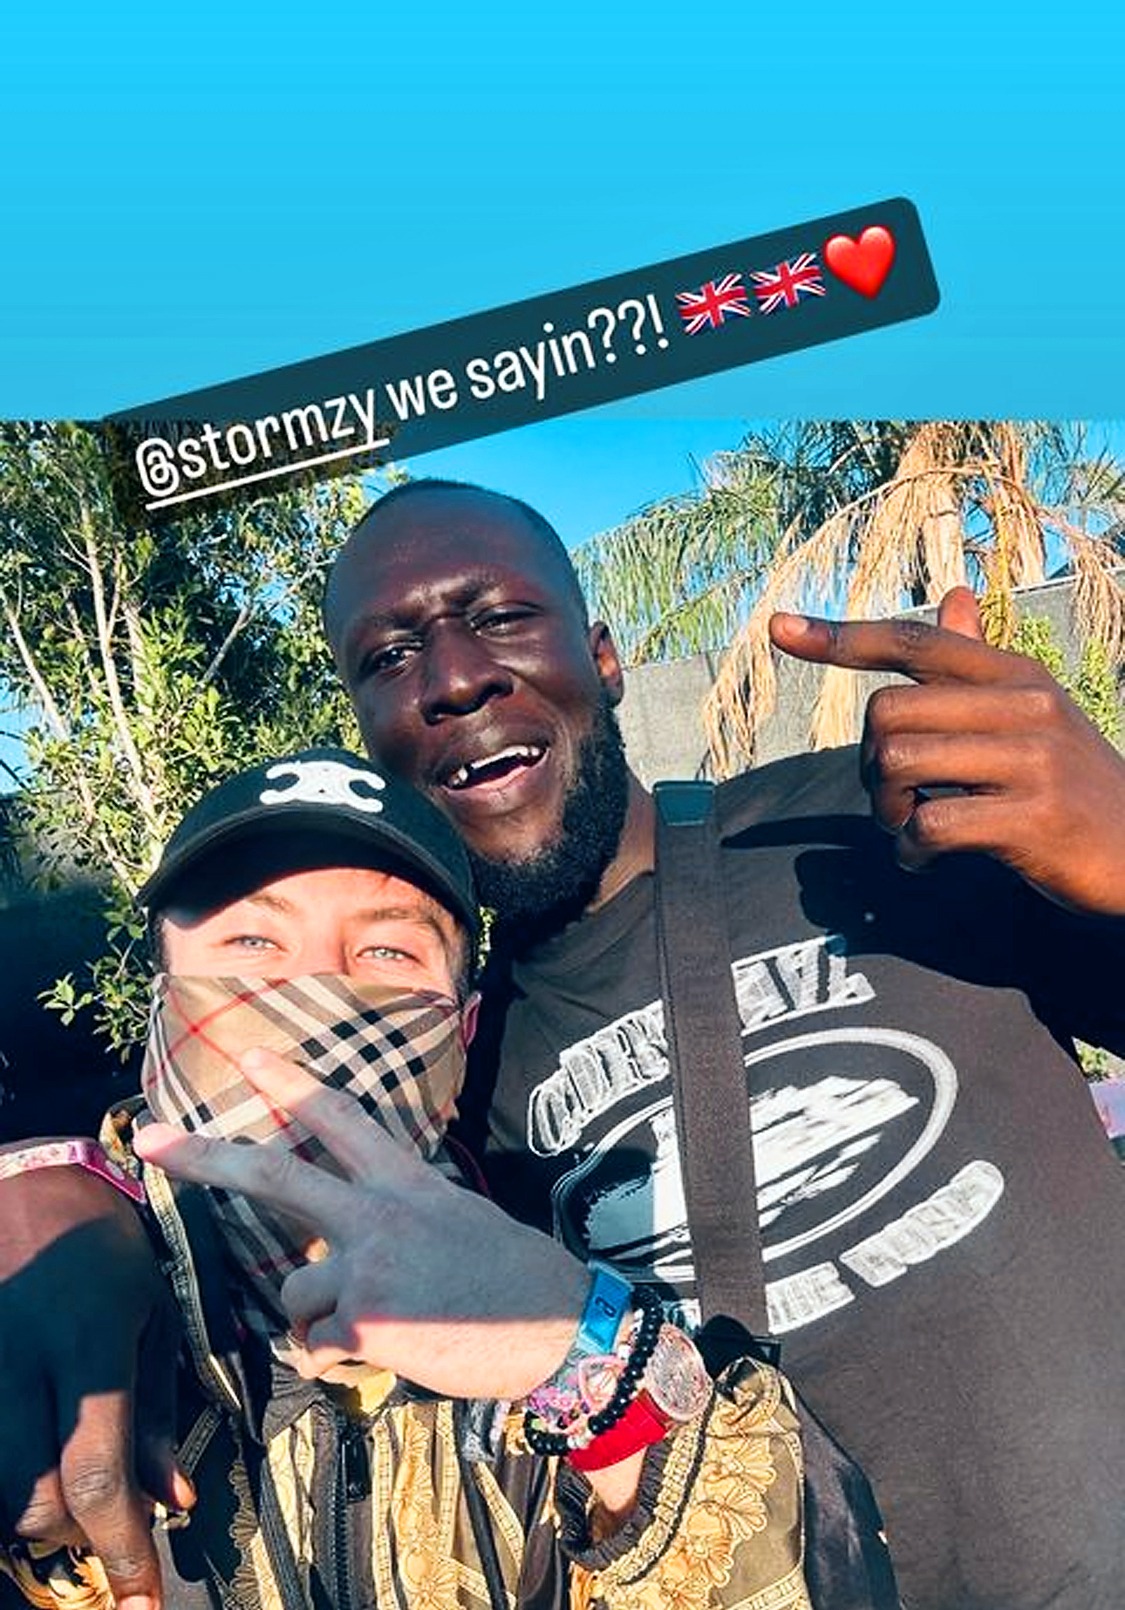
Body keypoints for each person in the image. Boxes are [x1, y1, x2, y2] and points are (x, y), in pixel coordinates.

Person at [5, 474, 1125, 1609]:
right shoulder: (436, 1083)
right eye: (389, 656)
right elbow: (214, 1145)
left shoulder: (868, 821)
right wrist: (65, 1189)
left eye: (498, 617)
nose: (453, 675)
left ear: (604, 654)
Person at [1, 745, 814, 1610]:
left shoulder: (560, 1269)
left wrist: (582, 1356)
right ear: (164, 996)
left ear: (461, 1029)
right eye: (249, 941)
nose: (308, 992)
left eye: (386, 953)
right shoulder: (50, 1280)